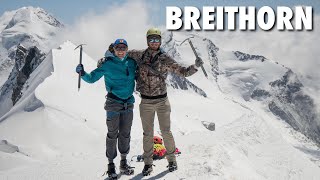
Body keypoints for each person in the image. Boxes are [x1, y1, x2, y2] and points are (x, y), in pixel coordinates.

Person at [127, 28, 204, 176]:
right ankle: (148, 164)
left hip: (162, 101)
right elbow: (123, 54)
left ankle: (172, 160)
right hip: (146, 102)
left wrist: (196, 67)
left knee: (166, 132)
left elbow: (183, 72)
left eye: (156, 40)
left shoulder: (165, 58)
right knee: (147, 134)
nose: (154, 42)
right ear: (147, 40)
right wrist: (108, 55)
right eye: (151, 39)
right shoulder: (139, 54)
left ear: (160, 41)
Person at [75, 39, 137, 179]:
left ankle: (123, 162)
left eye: (123, 47)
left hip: (128, 103)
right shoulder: (107, 64)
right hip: (113, 103)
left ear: (127, 49)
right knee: (112, 134)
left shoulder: (132, 63)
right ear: (113, 49)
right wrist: (83, 73)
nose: (121, 50)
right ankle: (110, 166)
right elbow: (91, 78)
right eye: (118, 47)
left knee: (125, 134)